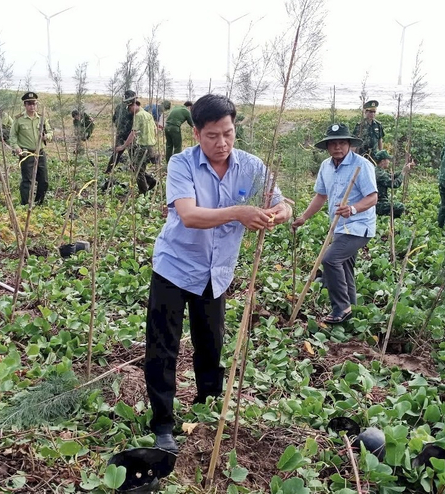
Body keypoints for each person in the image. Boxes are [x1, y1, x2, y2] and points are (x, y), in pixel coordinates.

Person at [145, 94, 292, 452]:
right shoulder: (182, 165)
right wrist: (239, 212)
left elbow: (284, 204)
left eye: (228, 133)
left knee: (210, 345)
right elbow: (190, 215)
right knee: (163, 348)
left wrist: (276, 215)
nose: (222, 143)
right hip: (175, 268)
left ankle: (207, 408)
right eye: (212, 135)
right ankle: (163, 423)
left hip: (216, 274)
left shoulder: (252, 166)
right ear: (196, 133)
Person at [292, 123, 377, 325]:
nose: (337, 147)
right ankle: (352, 311)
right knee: (345, 268)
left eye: (342, 143)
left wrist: (353, 208)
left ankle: (341, 308)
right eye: (333, 144)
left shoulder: (361, 165)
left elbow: (372, 198)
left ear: (349, 145)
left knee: (330, 259)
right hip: (338, 226)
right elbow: (321, 196)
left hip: (358, 226)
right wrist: (304, 217)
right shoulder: (326, 167)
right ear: (327, 147)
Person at [9, 92, 53, 205]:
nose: (32, 106)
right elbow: (13, 136)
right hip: (26, 153)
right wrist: (16, 147)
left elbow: (50, 132)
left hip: (40, 152)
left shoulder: (42, 119)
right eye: (29, 104)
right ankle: (26, 204)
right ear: (25, 105)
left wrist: (46, 136)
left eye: (34, 104)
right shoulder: (19, 119)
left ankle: (39, 202)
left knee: (43, 180)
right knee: (27, 180)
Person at [115, 99, 157, 194]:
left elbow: (133, 133)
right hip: (150, 146)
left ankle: (143, 192)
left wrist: (123, 146)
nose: (130, 111)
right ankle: (150, 181)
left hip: (143, 146)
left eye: (130, 108)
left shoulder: (138, 116)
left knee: (137, 170)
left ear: (134, 105)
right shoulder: (148, 115)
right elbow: (155, 130)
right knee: (137, 167)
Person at [373, 150, 412, 218]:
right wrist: (403, 172)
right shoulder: (380, 174)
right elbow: (395, 184)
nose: (389, 161)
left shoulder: (377, 170)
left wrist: (404, 169)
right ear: (383, 161)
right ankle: (387, 218)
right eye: (388, 160)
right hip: (378, 204)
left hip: (375, 202)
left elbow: (391, 176)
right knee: (400, 207)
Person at [107, 89, 137, 172]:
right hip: (129, 133)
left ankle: (108, 170)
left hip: (120, 133)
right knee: (133, 153)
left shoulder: (118, 106)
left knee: (116, 153)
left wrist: (119, 126)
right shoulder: (132, 108)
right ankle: (135, 170)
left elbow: (114, 119)